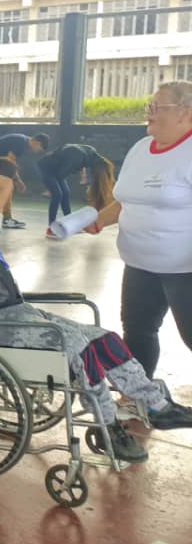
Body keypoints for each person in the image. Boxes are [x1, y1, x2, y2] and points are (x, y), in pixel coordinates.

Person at [0, 162, 192, 463]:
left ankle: (156, 406)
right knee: (77, 346)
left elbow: (4, 185)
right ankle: (108, 426)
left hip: (19, 312)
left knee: (105, 338)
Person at [87, 82, 192, 379]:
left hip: (184, 271)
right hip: (139, 264)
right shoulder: (140, 148)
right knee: (138, 331)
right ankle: (139, 396)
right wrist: (98, 220)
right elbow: (125, 200)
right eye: (150, 106)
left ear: (185, 113)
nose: (149, 113)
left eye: (157, 107)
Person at [36, 143, 115, 234]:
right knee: (57, 195)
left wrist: (83, 174)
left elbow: (82, 160)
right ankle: (51, 227)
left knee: (66, 194)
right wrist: (50, 189)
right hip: (48, 168)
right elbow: (60, 174)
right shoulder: (77, 156)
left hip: (58, 169)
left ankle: (70, 225)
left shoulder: (91, 152)